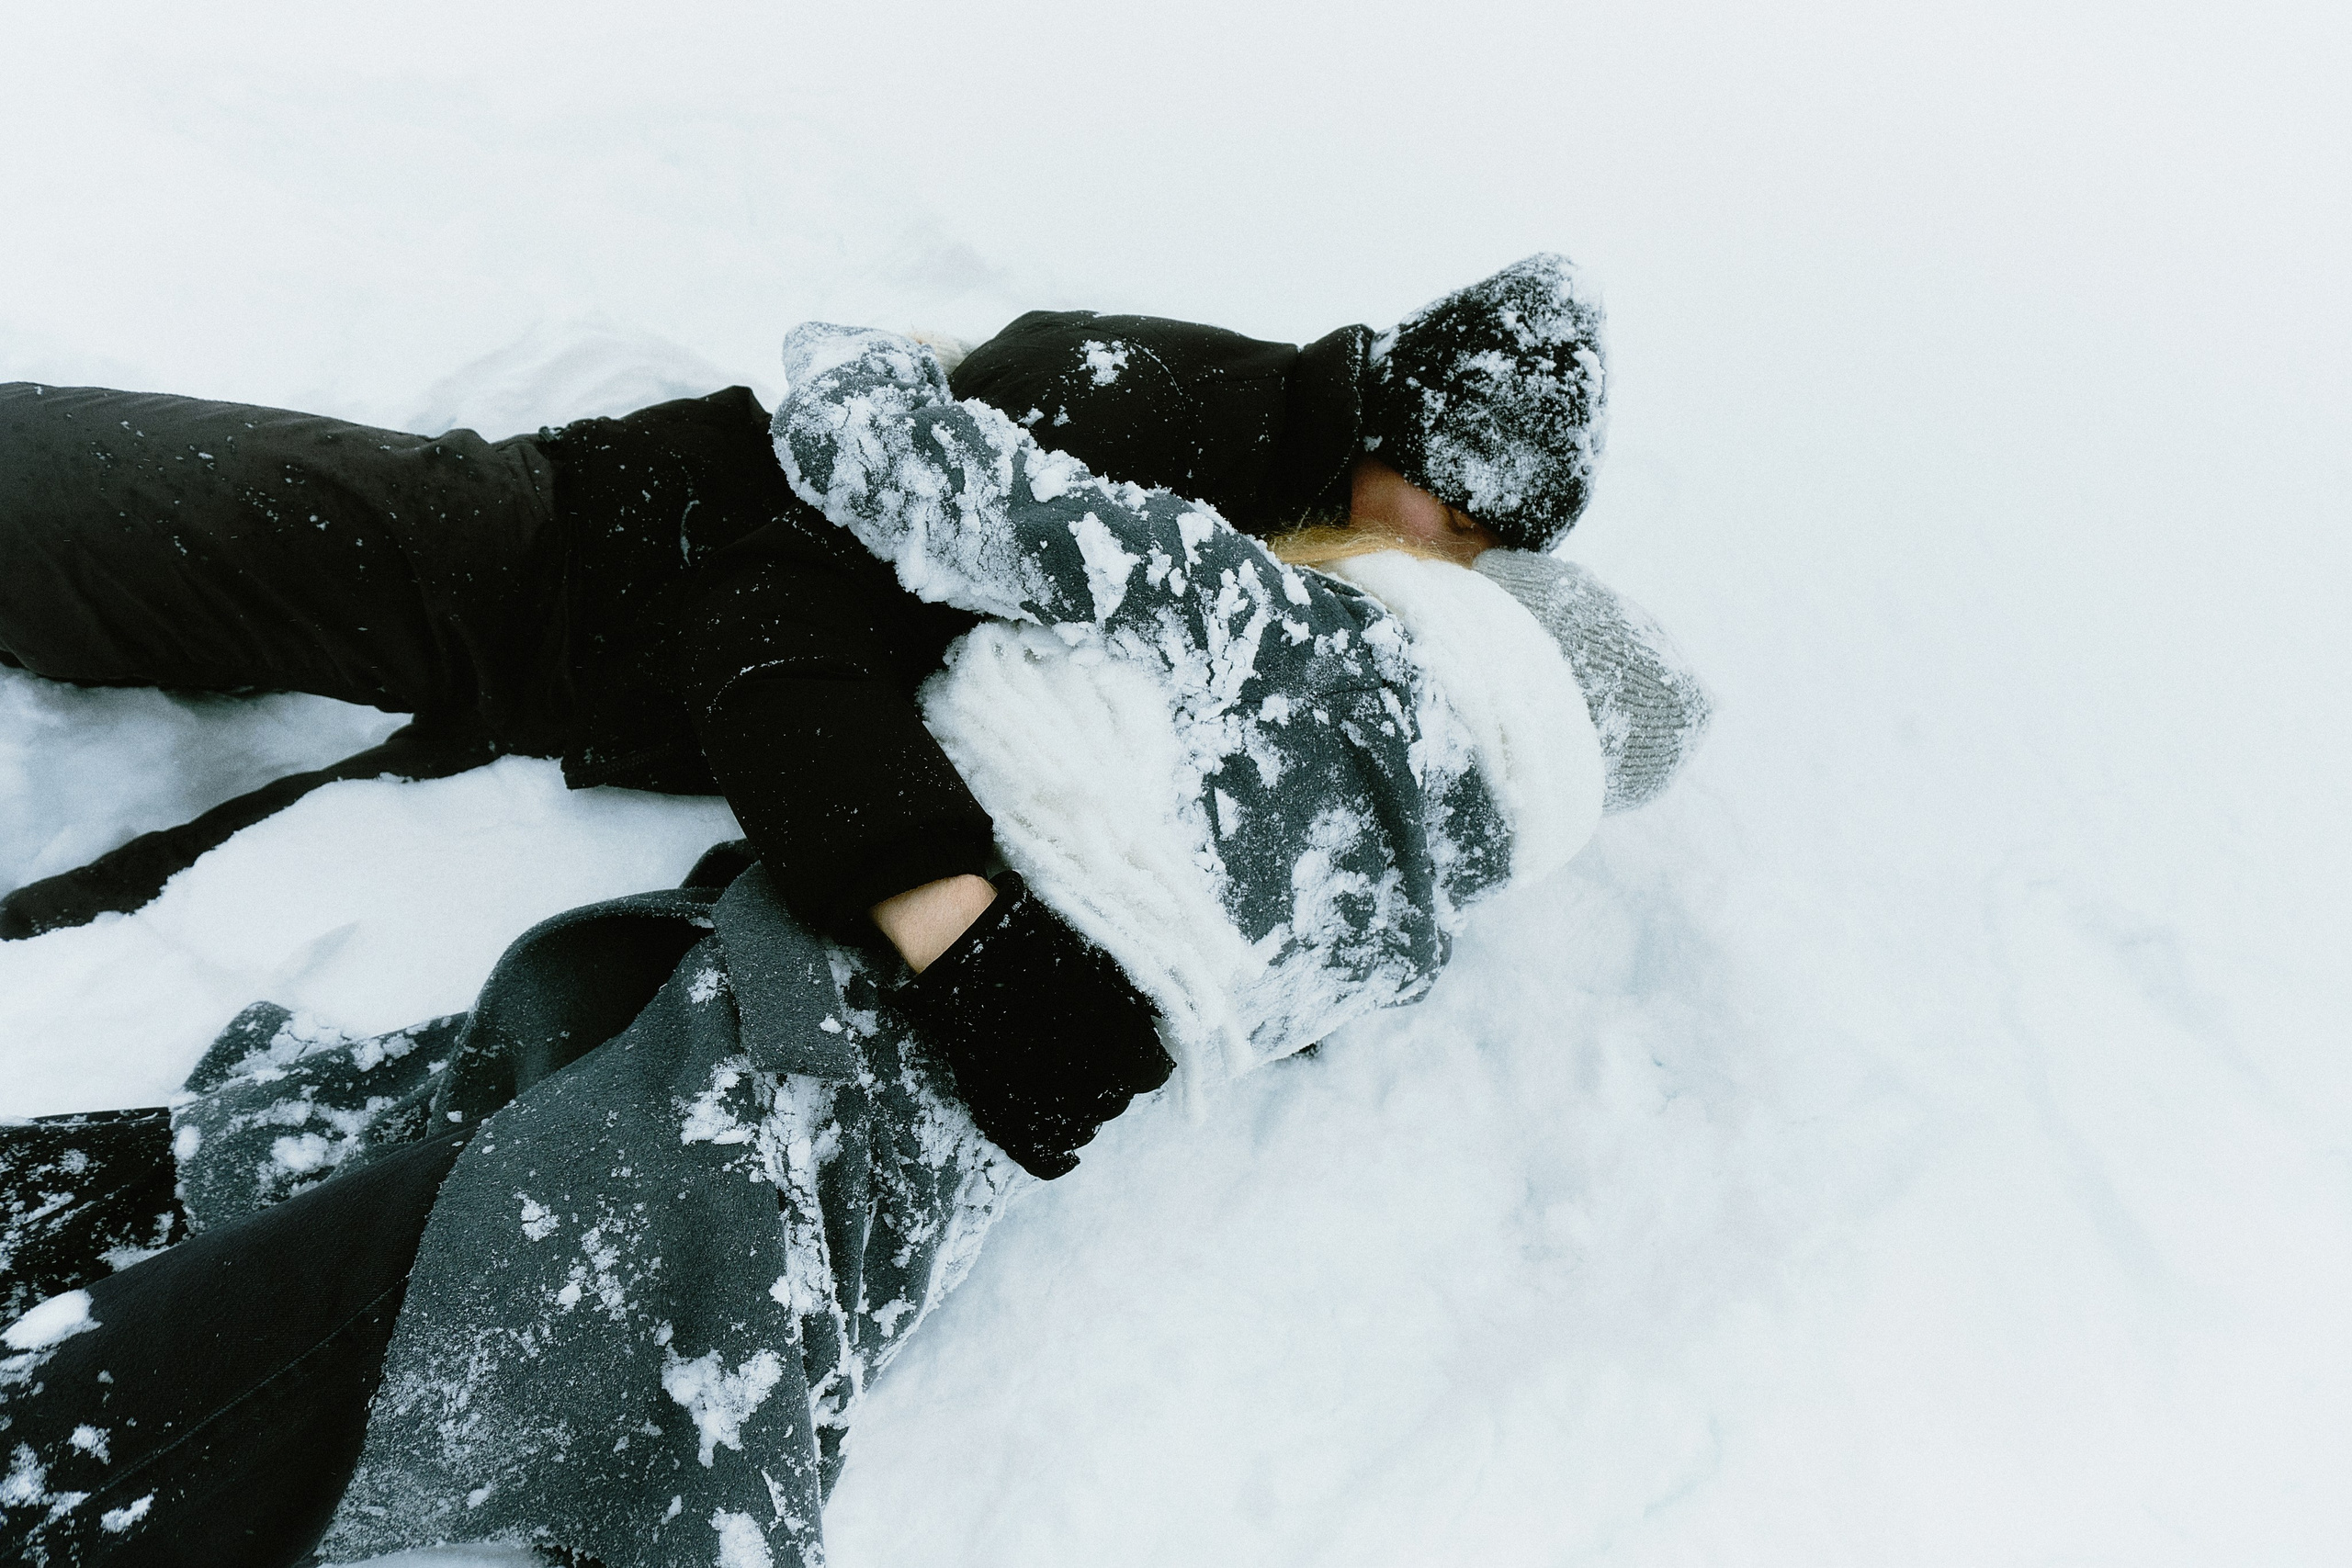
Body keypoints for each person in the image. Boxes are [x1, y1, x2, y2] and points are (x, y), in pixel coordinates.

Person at [2, 255, 1710, 1566]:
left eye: (1499, 552)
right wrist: (956, 923)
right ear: (1390, 433)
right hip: (575, 567)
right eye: (1457, 515)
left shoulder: (1339, 613)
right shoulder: (1150, 411)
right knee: (109, 525)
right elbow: (772, 610)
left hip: (680, 768)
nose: (1455, 568)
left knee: (236, 928)